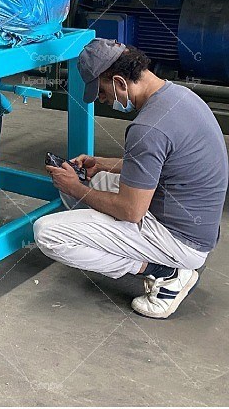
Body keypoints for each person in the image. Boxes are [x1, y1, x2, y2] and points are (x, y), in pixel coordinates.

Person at [33, 38, 228, 319]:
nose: (102, 100)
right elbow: (163, 163)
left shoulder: (147, 127)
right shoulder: (179, 96)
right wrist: (102, 164)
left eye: (101, 92)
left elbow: (131, 211)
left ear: (120, 82)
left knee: (47, 233)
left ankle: (165, 271)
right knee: (91, 183)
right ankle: (155, 258)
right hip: (194, 223)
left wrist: (75, 188)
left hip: (180, 239)